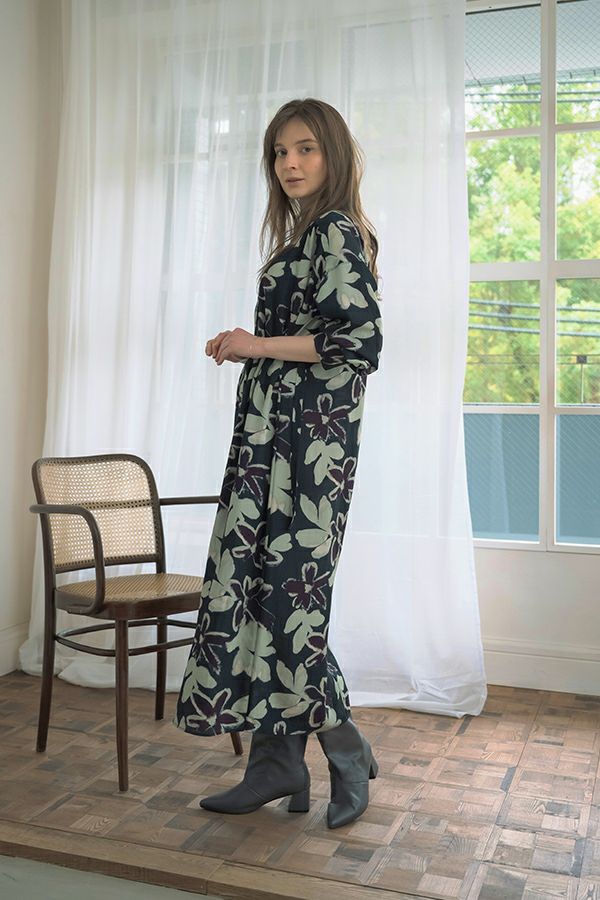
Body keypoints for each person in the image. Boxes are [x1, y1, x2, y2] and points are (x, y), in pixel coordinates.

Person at [174, 97, 383, 829]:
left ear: (334, 155)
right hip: (272, 441)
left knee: (291, 605)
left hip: (307, 450)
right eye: (279, 152)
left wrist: (254, 344)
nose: (289, 164)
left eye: (305, 149)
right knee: (265, 597)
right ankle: (276, 762)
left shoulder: (334, 230)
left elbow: (359, 341)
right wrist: (253, 352)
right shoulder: (307, 233)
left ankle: (344, 749)